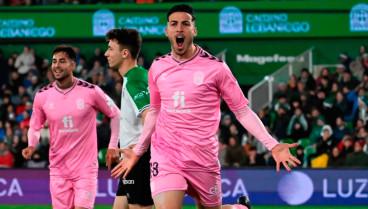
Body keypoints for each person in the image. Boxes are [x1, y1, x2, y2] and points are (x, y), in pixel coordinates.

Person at [111, 4, 300, 209]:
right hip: (166, 156)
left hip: (203, 158)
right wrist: (139, 151)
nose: (179, 28)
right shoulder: (157, 67)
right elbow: (155, 111)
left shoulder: (216, 68)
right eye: (174, 24)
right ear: (167, 31)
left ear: (194, 30)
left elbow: (242, 110)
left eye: (186, 24)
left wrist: (272, 144)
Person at [22, 45, 120, 209]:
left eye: (62, 61)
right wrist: (32, 145)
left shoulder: (91, 91)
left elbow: (116, 114)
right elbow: (35, 126)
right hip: (58, 170)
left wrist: (112, 146)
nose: (57, 65)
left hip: (85, 168)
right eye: (54, 61)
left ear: (73, 65)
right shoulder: (42, 96)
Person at [105, 28, 153, 209]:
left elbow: (151, 116)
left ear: (125, 53)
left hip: (139, 159)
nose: (106, 53)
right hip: (131, 158)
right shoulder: (136, 76)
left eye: (110, 49)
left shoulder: (135, 80)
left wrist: (138, 148)